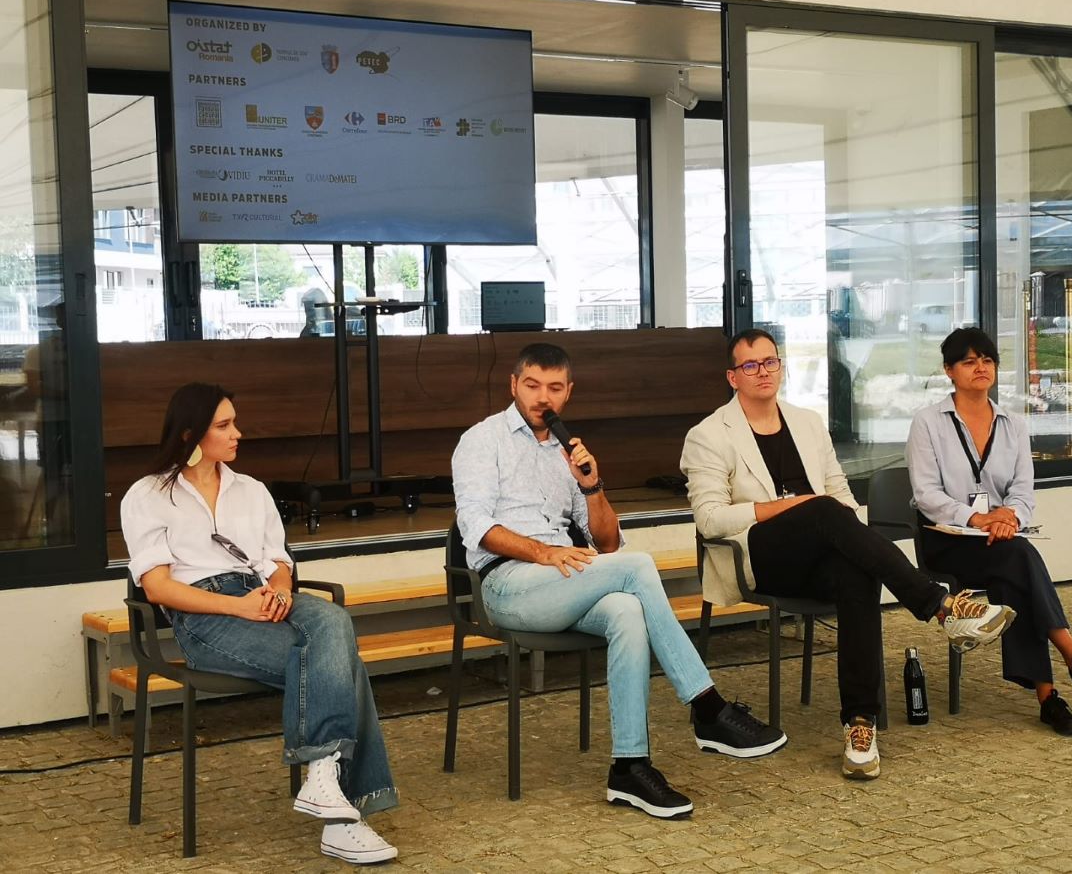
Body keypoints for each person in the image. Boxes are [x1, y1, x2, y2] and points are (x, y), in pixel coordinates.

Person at [451, 343, 787, 820]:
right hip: (506, 585)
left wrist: (591, 485)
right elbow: (476, 526)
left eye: (553, 388)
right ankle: (708, 707)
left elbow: (607, 543)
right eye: (532, 385)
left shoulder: (567, 452)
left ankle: (629, 767)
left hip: (564, 581)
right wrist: (545, 551)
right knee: (637, 567)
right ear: (513, 385)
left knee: (628, 610)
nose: (542, 397)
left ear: (568, 392)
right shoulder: (482, 441)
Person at [680, 328, 1015, 780]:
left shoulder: (807, 422)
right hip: (758, 557)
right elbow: (709, 520)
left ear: (781, 366)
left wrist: (830, 519)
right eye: (750, 365)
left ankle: (860, 724)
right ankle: (940, 604)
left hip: (817, 554)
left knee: (856, 571)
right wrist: (790, 507)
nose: (763, 372)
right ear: (732, 377)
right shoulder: (708, 435)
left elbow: (842, 497)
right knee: (820, 508)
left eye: (770, 361)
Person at [120, 383, 398, 864]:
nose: (237, 434)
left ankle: (324, 781)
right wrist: (239, 608)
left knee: (332, 618)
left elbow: (277, 561)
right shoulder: (148, 495)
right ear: (190, 433)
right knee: (343, 666)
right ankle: (342, 815)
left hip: (264, 596)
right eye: (224, 425)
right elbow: (158, 588)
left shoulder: (251, 490)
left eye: (235, 423)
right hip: (205, 616)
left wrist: (281, 591)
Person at [906, 327, 1072, 736]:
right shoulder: (928, 422)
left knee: (1015, 570)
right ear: (949, 370)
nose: (981, 367)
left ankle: (1049, 696)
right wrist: (977, 519)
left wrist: (1009, 518)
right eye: (969, 361)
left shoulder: (1013, 424)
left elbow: (1023, 491)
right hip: (947, 540)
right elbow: (926, 494)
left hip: (999, 540)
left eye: (987, 360)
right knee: (1019, 559)